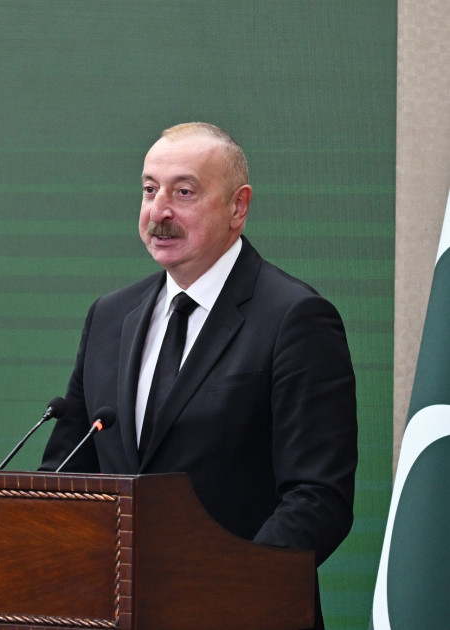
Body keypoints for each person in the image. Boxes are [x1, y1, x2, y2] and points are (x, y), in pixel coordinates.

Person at [40, 122, 357, 630]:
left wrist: (223, 596)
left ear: (238, 206)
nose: (159, 212)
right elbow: (66, 477)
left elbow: (318, 499)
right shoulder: (109, 317)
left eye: (183, 192)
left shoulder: (294, 317)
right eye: (150, 190)